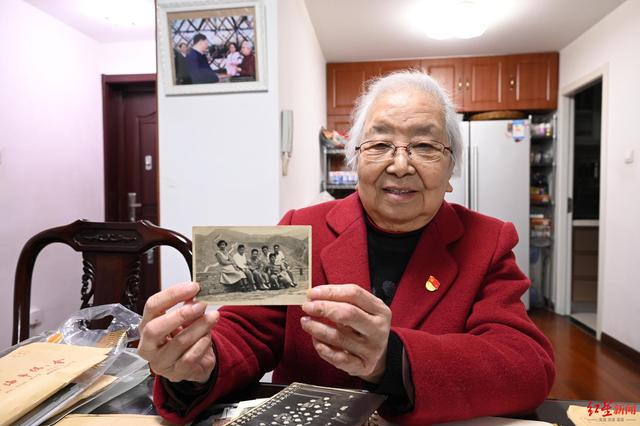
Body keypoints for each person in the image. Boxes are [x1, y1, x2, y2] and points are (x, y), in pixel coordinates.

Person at [138, 71, 555, 425]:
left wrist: (391, 358)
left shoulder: (487, 240)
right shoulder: (300, 226)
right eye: (380, 144)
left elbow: (526, 365)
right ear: (355, 161)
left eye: (425, 147)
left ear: (450, 171)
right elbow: (246, 332)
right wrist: (197, 365)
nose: (400, 165)